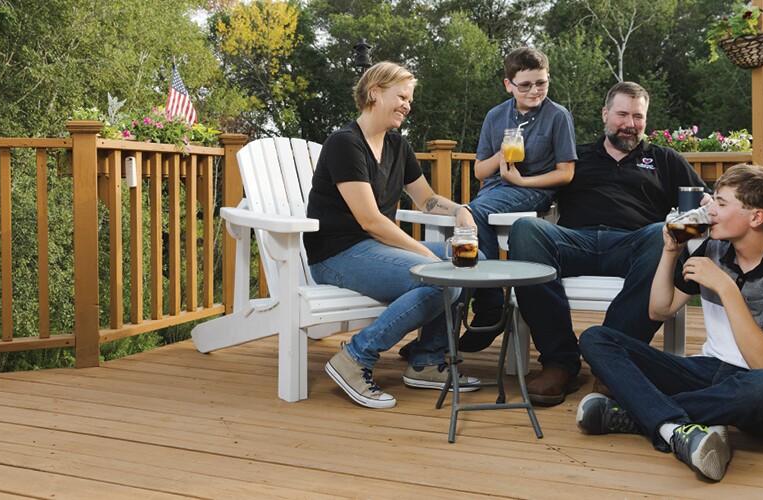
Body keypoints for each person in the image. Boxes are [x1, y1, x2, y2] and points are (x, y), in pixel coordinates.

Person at [576, 164, 763, 482]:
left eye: (720, 203)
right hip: (707, 373)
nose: (709, 210)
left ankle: (638, 415)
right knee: (596, 338)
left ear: (756, 217)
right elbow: (659, 310)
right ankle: (675, 428)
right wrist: (669, 252)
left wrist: (726, 287)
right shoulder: (713, 249)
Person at [508, 81, 709, 406]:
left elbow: (706, 203)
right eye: (622, 114)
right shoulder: (575, 157)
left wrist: (693, 222)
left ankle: (611, 363)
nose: (630, 124)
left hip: (634, 244)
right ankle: (560, 362)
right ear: (605, 114)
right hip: (575, 240)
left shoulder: (664, 159)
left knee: (661, 236)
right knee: (526, 229)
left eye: (638, 116)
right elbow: (531, 192)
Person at [304, 62, 481, 409]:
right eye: (401, 96)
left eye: (409, 99)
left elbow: (426, 199)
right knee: (440, 277)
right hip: (337, 255)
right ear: (374, 93)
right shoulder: (345, 143)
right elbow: (370, 220)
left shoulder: (398, 146)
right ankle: (355, 357)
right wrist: (426, 255)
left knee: (472, 262)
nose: (407, 105)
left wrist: (459, 208)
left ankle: (426, 361)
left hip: (374, 249)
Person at [399, 47, 577, 359]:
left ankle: (489, 306)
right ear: (509, 84)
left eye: (542, 83)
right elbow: (481, 171)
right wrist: (503, 152)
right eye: (526, 85)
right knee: (460, 236)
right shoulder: (496, 116)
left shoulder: (558, 116)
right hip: (494, 192)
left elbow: (566, 173)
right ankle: (440, 333)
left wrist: (522, 181)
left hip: (534, 191)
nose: (535, 90)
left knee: (470, 215)